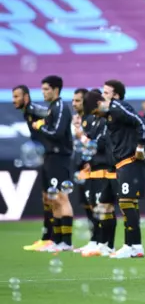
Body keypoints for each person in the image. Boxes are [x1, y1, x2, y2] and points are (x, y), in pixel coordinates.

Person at [100, 80, 145, 259]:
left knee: (127, 203)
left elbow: (142, 123)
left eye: (106, 92)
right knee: (128, 204)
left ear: (116, 95)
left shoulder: (119, 106)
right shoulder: (111, 113)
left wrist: (141, 147)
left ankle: (133, 245)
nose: (102, 95)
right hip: (122, 163)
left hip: (130, 161)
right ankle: (133, 245)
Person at [30, 76, 74, 252]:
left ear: (56, 90)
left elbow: (57, 132)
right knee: (52, 199)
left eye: (46, 89)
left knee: (62, 198)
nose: (43, 92)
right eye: (43, 89)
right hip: (50, 157)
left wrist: (40, 126)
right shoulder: (52, 108)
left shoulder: (61, 107)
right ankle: (56, 240)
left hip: (59, 158)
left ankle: (67, 242)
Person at [80, 90, 119, 257]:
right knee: (98, 207)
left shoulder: (104, 120)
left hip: (105, 168)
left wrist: (85, 140)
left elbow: (101, 144)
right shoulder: (93, 120)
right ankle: (99, 242)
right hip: (94, 168)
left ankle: (107, 244)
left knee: (105, 207)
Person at [15, 85, 52, 251]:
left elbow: (55, 118)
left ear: (26, 97)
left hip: (52, 157)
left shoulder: (35, 109)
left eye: (17, 96)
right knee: (46, 198)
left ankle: (55, 239)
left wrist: (43, 126)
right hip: (44, 157)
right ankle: (47, 237)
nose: (14, 100)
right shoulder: (27, 112)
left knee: (53, 198)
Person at [70, 88, 98, 254]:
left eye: (78, 101)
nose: (74, 104)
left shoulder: (90, 119)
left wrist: (90, 161)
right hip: (80, 166)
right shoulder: (78, 119)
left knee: (95, 205)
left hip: (91, 167)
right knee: (87, 205)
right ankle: (93, 240)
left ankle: (100, 241)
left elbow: (94, 144)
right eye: (73, 101)